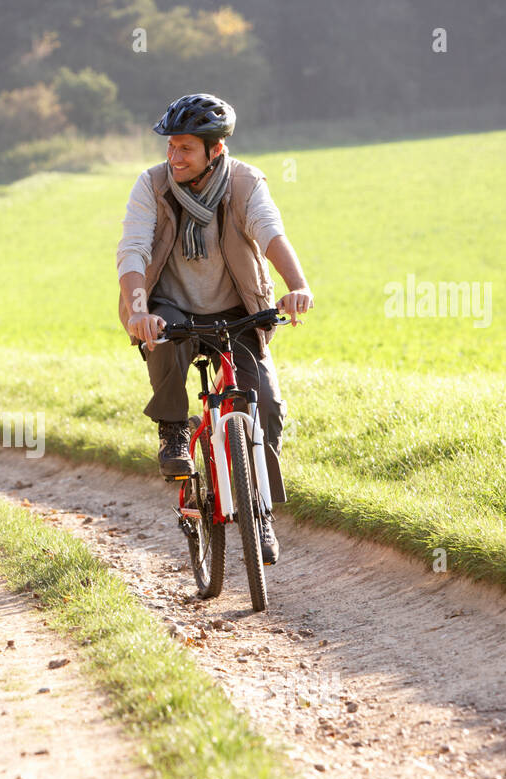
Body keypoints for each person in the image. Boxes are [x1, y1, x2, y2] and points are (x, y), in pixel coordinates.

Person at [116, 93, 314, 564]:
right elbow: (133, 252)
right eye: (171, 147)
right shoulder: (152, 186)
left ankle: (259, 512)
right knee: (163, 337)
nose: (174, 156)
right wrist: (139, 309)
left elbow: (269, 233)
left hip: (236, 307)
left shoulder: (245, 183)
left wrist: (298, 286)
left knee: (264, 400)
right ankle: (173, 432)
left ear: (215, 151)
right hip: (170, 305)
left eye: (186, 148)